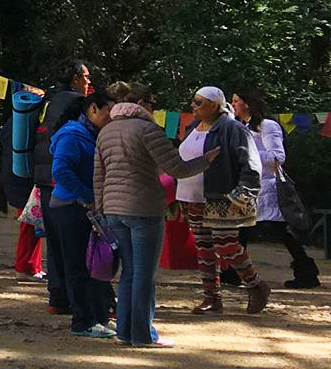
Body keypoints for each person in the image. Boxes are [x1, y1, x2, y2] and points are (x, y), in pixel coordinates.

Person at [94, 81, 218, 347]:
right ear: (141, 105)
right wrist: (207, 159)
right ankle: (143, 334)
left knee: (128, 273)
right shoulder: (148, 129)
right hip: (144, 209)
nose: (153, 109)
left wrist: (101, 209)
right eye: (151, 104)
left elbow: (99, 176)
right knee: (144, 274)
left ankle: (124, 332)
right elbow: (176, 168)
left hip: (113, 210)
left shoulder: (106, 131)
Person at [178, 85, 268, 314]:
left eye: (199, 102)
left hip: (221, 196)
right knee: (204, 247)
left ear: (215, 106)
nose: (193, 106)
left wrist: (243, 192)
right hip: (192, 197)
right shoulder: (191, 127)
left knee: (225, 244)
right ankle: (212, 297)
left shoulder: (232, 128)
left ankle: (255, 285)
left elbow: (250, 162)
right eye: (193, 101)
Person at [231, 88, 319, 290]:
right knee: (241, 229)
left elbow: (278, 157)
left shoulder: (267, 126)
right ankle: (234, 272)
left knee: (280, 230)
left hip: (268, 187)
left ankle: (306, 272)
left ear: (247, 103)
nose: (233, 104)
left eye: (236, 100)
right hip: (248, 186)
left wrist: (247, 155)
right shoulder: (242, 127)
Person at [44, 92, 116, 337]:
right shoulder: (71, 135)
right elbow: (61, 170)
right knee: (77, 267)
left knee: (98, 265)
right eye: (109, 112)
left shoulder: (94, 135)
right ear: (93, 109)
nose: (112, 117)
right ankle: (83, 322)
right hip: (70, 210)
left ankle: (100, 318)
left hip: (89, 210)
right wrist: (88, 197)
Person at [31, 59, 95, 315]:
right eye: (86, 77)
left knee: (55, 242)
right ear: (75, 79)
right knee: (74, 244)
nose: (89, 83)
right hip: (66, 183)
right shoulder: (74, 103)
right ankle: (75, 298)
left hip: (43, 180)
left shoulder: (46, 101)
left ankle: (57, 296)